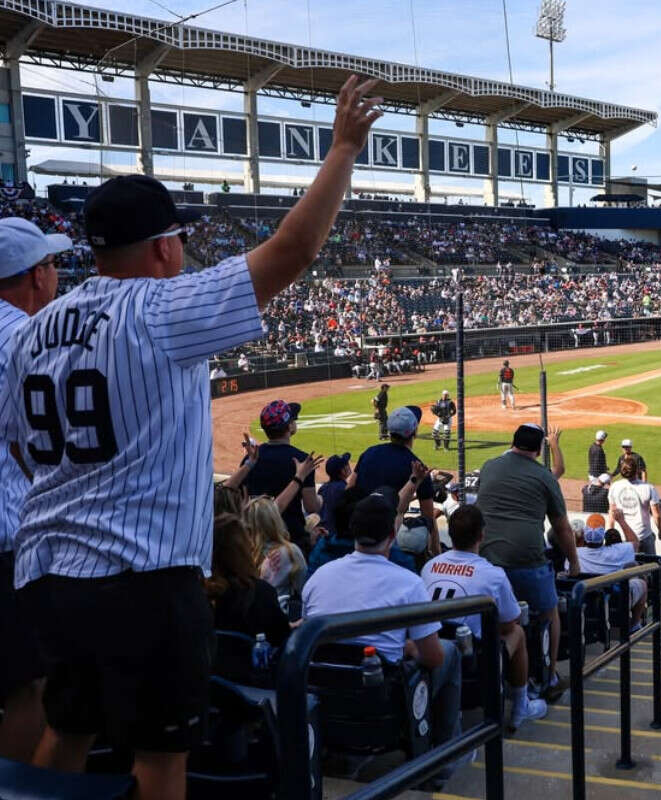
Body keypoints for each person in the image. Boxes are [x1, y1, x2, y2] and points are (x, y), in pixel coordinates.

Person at [0, 75, 383, 796]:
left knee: (66, 731)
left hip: (47, 574)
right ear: (160, 248)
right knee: (159, 760)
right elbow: (295, 250)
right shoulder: (162, 308)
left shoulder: (33, 330)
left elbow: (19, 448)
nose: (183, 249)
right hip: (140, 578)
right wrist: (342, 149)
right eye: (178, 237)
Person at [301, 490, 463, 764]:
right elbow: (434, 658)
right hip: (382, 703)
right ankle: (447, 757)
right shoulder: (409, 583)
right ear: (392, 534)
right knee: (450, 651)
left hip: (325, 701)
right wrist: (409, 648)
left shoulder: (319, 577)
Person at [0, 216, 67, 763]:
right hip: (7, 543)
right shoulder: (27, 336)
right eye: (52, 264)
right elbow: (40, 449)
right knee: (30, 686)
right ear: (35, 276)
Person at [421, 505, 548, 731]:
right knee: (518, 632)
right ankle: (521, 707)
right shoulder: (493, 574)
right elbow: (509, 623)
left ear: (451, 533)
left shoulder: (429, 567)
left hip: (432, 650)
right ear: (482, 535)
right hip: (471, 660)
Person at [477, 424, 579, 701]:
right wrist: (574, 563)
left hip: (485, 560)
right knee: (549, 612)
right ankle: (549, 676)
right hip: (527, 560)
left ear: (513, 442)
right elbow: (562, 528)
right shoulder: (543, 476)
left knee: (495, 618)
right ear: (537, 449)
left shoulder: (489, 466)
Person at [241, 400, 322, 556]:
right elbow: (311, 506)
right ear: (289, 426)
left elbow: (243, 501)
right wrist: (321, 499)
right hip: (292, 540)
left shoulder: (250, 459)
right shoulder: (302, 461)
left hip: (257, 541)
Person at [355, 406, 438, 550]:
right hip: (390, 539)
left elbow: (350, 486)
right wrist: (436, 552)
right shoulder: (417, 468)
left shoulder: (369, 453)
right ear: (414, 432)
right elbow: (428, 519)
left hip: (359, 532)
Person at [205, 513, 291, 648]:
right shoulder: (261, 593)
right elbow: (282, 639)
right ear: (245, 550)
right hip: (251, 661)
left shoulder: (200, 595)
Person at [576, 512, 647, 628]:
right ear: (602, 535)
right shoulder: (616, 552)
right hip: (614, 599)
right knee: (642, 584)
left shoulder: (575, 554)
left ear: (585, 535)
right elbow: (635, 543)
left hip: (582, 600)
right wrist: (621, 521)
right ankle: (634, 625)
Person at [244, 496, 306, 601]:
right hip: (282, 608)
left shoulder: (242, 555)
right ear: (275, 520)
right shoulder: (291, 551)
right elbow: (301, 588)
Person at [607, 455, 661, 555]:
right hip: (644, 535)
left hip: (624, 536)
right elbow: (657, 515)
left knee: (628, 564)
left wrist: (609, 533)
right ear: (637, 470)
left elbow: (612, 514)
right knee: (651, 563)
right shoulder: (648, 488)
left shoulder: (614, 487)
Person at [317, 452, 352, 538]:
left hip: (322, 532)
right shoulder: (345, 489)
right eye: (346, 464)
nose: (349, 465)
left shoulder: (323, 488)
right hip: (336, 535)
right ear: (342, 471)